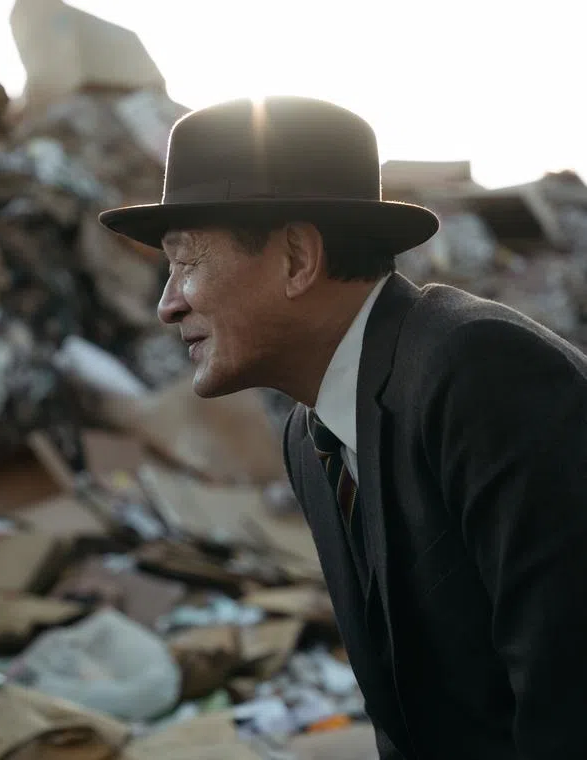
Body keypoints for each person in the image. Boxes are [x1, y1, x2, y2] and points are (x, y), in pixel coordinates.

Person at [99, 96, 587, 759]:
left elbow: (568, 698)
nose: (166, 303)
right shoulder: (313, 438)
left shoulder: (480, 372)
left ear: (298, 256)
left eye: (187, 261)